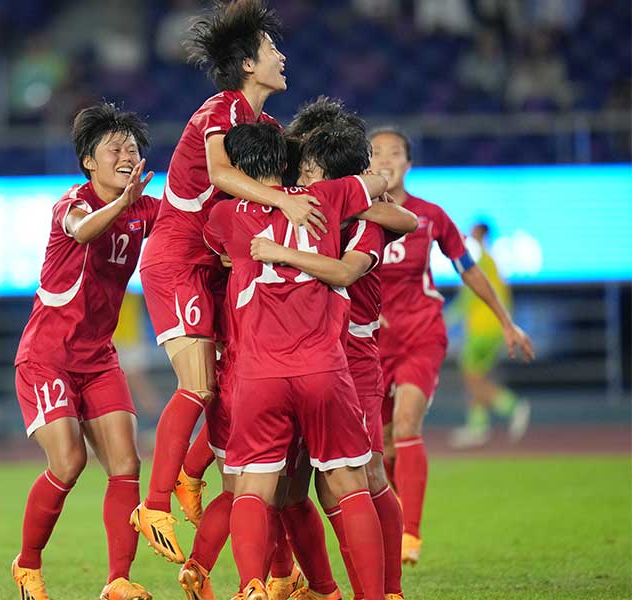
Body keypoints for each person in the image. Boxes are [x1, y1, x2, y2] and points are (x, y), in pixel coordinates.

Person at [134, 0, 325, 564]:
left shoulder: (264, 127)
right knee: (198, 384)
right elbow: (219, 174)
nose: (283, 57)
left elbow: (306, 171)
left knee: (230, 389)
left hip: (221, 267)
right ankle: (155, 502)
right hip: (177, 261)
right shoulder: (219, 110)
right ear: (247, 63)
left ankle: (202, 487)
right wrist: (280, 204)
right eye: (272, 50)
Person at [204, 122, 390, 600]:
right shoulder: (327, 199)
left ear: (242, 168)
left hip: (260, 372)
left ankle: (251, 586)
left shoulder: (227, 214)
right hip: (323, 367)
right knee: (350, 483)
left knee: (255, 486)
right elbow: (379, 184)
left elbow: (215, 246)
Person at [250, 98, 413, 600]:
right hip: (294, 358)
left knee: (363, 474)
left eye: (311, 166)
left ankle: (388, 588)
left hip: (352, 359)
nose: (301, 175)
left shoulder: (366, 221)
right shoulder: (297, 209)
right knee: (289, 484)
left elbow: (362, 254)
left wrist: (281, 250)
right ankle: (315, 587)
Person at [10, 103, 157, 600]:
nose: (125, 155)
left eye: (132, 148)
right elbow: (83, 229)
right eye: (114, 148)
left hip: (98, 358)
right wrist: (125, 203)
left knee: (127, 464)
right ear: (89, 162)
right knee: (69, 462)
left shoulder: (143, 210)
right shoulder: (73, 203)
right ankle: (27, 564)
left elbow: (187, 230)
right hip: (46, 356)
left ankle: (117, 580)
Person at [370, 127, 535, 565]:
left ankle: (410, 535)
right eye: (377, 152)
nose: (386, 159)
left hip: (421, 334)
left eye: (395, 152)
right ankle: (397, 514)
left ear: (408, 164)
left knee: (407, 425)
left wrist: (507, 322)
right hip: (370, 344)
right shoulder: (354, 214)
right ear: (367, 163)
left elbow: (468, 270)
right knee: (381, 446)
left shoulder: (431, 216)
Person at [448, 223, 530, 449]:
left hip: (482, 329)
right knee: (477, 376)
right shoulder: (494, 262)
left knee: (472, 379)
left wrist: (445, 318)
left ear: (481, 234)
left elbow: (469, 296)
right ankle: (478, 427)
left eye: (474, 232)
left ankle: (512, 406)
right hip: (492, 329)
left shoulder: (480, 261)